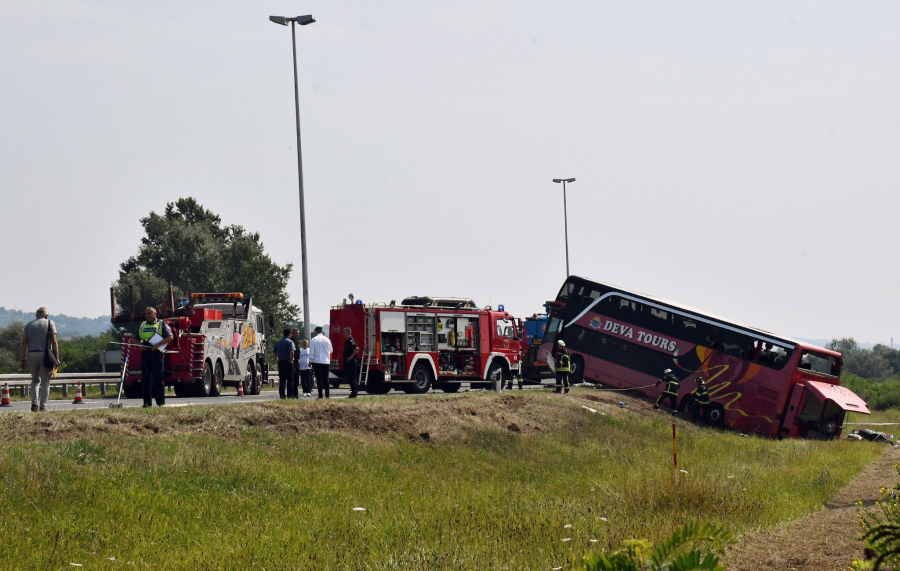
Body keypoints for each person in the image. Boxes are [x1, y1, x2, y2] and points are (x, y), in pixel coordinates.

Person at [19, 307, 59, 412]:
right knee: (45, 381)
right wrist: (56, 358)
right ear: (46, 316)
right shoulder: (50, 323)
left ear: (36, 315)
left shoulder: (28, 325)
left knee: (35, 380)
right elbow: (54, 341)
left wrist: (22, 359)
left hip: (32, 354)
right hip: (45, 354)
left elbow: (24, 343)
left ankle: (34, 404)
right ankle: (43, 406)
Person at [138, 307, 174, 408]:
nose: (148, 315)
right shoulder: (142, 325)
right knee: (145, 379)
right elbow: (135, 338)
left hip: (157, 354)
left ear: (155, 314)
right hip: (146, 354)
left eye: (150, 313)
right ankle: (147, 403)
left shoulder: (161, 324)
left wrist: (157, 345)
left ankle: (160, 403)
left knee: (158, 379)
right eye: (147, 313)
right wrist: (140, 345)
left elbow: (170, 337)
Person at [309, 326, 333, 399]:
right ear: (322, 331)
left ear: (316, 332)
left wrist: (310, 361)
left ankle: (320, 395)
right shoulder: (327, 340)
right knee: (326, 378)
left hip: (317, 361)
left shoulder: (314, 340)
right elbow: (331, 350)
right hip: (326, 361)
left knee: (319, 379)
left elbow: (311, 352)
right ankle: (327, 395)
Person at [274, 329, 295, 399]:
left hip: (281, 362)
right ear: (289, 334)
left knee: (282, 380)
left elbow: (274, 352)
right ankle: (290, 395)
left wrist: (277, 360)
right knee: (290, 379)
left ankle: (282, 395)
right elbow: (292, 352)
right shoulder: (290, 342)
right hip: (288, 362)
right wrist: (291, 360)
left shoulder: (279, 342)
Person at [342, 327, 360, 399]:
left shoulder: (351, 340)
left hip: (352, 362)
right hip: (349, 363)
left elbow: (356, 348)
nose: (343, 333)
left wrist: (351, 357)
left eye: (344, 332)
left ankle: (354, 392)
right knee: (350, 378)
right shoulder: (347, 341)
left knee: (353, 378)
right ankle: (353, 392)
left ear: (349, 333)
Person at [289, 329, 302, 399]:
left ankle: (296, 394)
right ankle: (291, 394)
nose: (297, 335)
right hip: (293, 362)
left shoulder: (297, 342)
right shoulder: (291, 341)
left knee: (296, 379)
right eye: (296, 333)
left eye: (298, 333)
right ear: (292, 334)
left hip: (297, 361)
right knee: (292, 379)